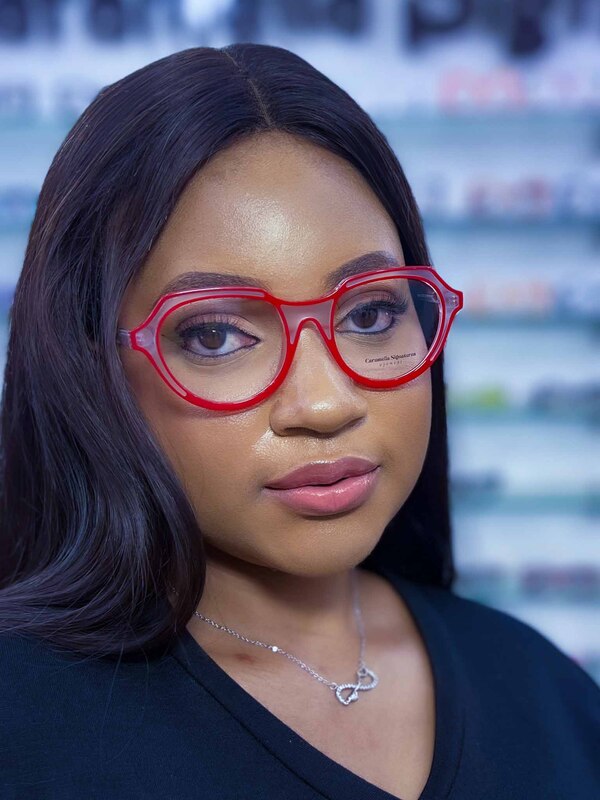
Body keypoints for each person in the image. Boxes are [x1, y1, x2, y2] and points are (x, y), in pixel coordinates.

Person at [0, 43, 597, 800]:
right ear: (93, 367)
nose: (325, 404)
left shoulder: (544, 692)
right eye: (216, 335)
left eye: (371, 313)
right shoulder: (24, 725)